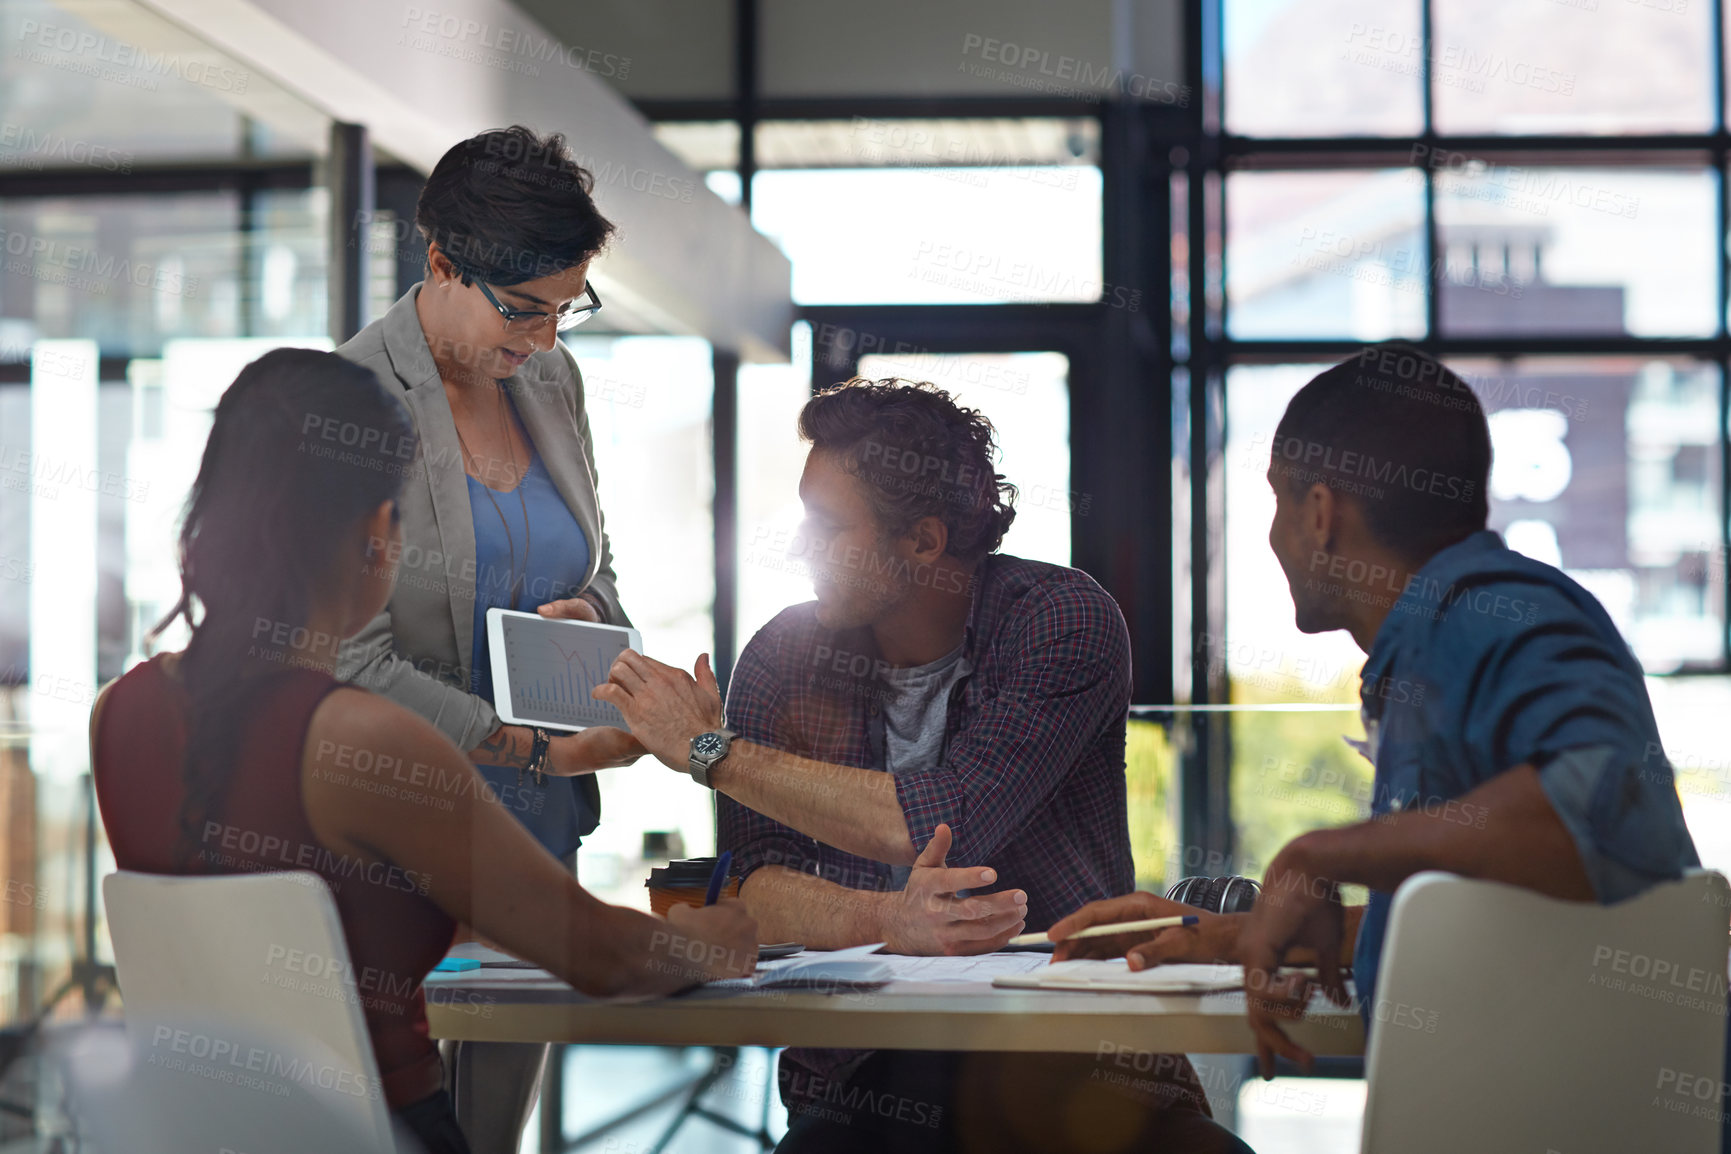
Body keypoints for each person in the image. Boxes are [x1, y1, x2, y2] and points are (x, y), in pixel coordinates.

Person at [90, 349, 757, 1154]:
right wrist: (726, 935)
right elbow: (602, 954)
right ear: (377, 532)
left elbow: (296, 917)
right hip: (385, 1131)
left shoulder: (118, 714)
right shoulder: (362, 741)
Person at [594, 379, 1250, 1153]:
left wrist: (711, 751)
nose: (799, 546)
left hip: (1072, 1062)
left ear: (924, 542)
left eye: (828, 526)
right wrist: (882, 920)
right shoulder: (783, 655)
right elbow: (744, 888)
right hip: (859, 1075)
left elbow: (947, 816)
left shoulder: (1060, 617)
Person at [1049, 344, 1701, 1080]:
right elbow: (1483, 920)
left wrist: (1318, 853)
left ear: (1320, 513)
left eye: (1275, 499)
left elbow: (1606, 820)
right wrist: (1221, 936)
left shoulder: (1490, 613)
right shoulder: (1432, 638)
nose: (1270, 534)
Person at [334, 125, 638, 1152]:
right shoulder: (349, 400)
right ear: (441, 264)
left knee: (496, 1134)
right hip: (404, 834)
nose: (547, 337)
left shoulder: (552, 383)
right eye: (524, 309)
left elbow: (600, 572)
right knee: (406, 1128)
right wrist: (529, 744)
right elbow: (349, 660)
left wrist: (595, 619)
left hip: (541, 832)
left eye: (567, 307)